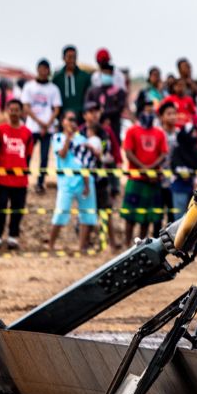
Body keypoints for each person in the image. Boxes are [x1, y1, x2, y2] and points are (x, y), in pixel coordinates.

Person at [49, 111, 96, 253]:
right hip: (66, 182)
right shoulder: (57, 138)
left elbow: (86, 163)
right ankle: (50, 245)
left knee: (87, 214)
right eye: (69, 119)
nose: (72, 122)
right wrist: (68, 138)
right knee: (61, 213)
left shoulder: (82, 139)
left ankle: (82, 247)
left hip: (83, 180)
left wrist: (87, 183)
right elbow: (62, 155)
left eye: (74, 119)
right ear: (63, 121)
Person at [121, 103, 169, 242]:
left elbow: (163, 153)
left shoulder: (159, 132)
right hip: (136, 178)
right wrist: (143, 168)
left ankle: (140, 244)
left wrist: (150, 169)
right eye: (146, 110)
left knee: (146, 218)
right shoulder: (132, 130)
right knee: (130, 215)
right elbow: (128, 152)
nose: (148, 114)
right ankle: (126, 243)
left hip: (152, 180)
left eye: (151, 111)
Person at [0, 99, 33, 250]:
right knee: (1, 207)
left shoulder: (27, 133)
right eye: (11, 109)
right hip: (3, 178)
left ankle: (12, 236)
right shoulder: (1, 129)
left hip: (21, 179)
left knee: (17, 208)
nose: (14, 113)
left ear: (21, 112)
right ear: (7, 111)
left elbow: (28, 155)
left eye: (17, 110)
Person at [81, 101, 122, 249]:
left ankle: (111, 242)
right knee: (87, 211)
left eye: (96, 111)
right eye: (90, 111)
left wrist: (115, 180)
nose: (94, 114)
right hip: (85, 177)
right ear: (84, 115)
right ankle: (85, 243)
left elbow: (113, 153)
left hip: (102, 177)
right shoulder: (80, 132)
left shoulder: (106, 132)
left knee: (106, 209)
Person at [21, 58, 61, 193]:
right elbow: (26, 107)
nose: (43, 72)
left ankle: (40, 182)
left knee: (44, 157)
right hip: (32, 127)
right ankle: (23, 181)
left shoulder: (53, 88)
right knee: (28, 155)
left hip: (47, 128)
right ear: (37, 69)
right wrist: (39, 123)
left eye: (46, 69)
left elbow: (56, 109)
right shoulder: (29, 86)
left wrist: (46, 125)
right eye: (41, 69)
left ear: (48, 71)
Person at [84, 64, 127, 139]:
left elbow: (120, 107)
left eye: (108, 73)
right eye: (104, 73)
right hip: (97, 127)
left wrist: (104, 113)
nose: (106, 75)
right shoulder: (93, 91)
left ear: (112, 74)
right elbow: (87, 106)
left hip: (114, 125)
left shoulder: (119, 91)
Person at [54, 45, 93, 118]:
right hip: (63, 117)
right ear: (63, 58)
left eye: (74, 57)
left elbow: (89, 97)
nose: (72, 60)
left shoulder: (85, 77)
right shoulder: (57, 78)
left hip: (81, 117)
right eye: (69, 57)